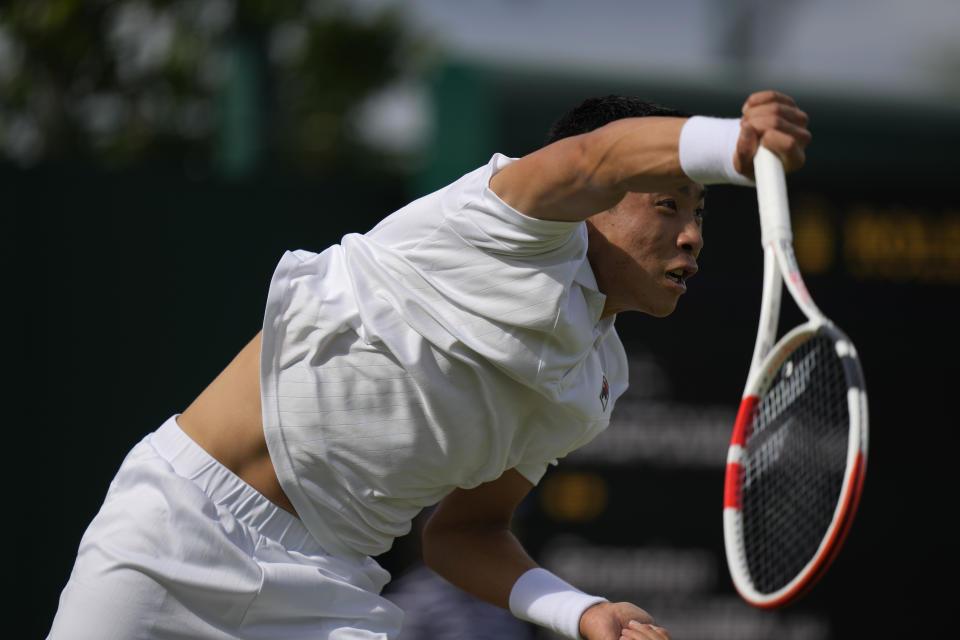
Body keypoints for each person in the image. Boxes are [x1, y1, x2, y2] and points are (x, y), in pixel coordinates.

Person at [48, 89, 810, 640]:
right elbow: (593, 155)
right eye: (666, 205)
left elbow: (462, 534)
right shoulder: (502, 222)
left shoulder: (596, 385)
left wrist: (580, 612)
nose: (691, 238)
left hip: (327, 587)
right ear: (595, 203)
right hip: (174, 526)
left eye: (699, 212)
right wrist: (726, 142)